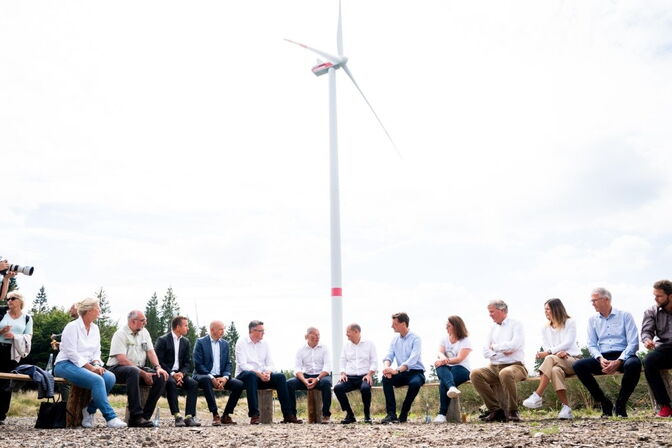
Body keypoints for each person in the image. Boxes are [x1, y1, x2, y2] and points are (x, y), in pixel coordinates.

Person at [53, 298, 126, 428]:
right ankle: (111, 418)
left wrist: (96, 365)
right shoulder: (72, 327)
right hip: (65, 364)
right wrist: (91, 368)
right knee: (97, 380)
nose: (100, 311)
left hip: (87, 365)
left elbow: (96, 351)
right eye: (98, 308)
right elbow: (71, 353)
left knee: (110, 378)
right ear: (89, 310)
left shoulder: (95, 328)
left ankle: (89, 410)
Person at [573, 287, 640, 418]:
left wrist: (619, 360)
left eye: (595, 300)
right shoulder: (592, 320)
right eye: (592, 301)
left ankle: (621, 404)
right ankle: (604, 403)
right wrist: (600, 358)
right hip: (603, 357)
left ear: (606, 300)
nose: (592, 303)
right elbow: (591, 344)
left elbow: (634, 343)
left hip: (624, 355)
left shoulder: (625, 315)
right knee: (578, 366)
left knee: (634, 364)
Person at [106, 310, 168, 427]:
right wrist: (143, 373)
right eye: (143, 320)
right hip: (117, 368)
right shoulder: (120, 334)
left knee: (161, 377)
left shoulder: (144, 332)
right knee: (133, 371)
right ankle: (136, 416)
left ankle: (145, 417)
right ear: (133, 321)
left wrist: (158, 367)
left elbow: (150, 352)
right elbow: (122, 360)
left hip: (138, 369)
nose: (145, 323)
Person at [522, 298, 581, 419]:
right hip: (557, 361)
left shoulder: (570, 322)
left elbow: (568, 342)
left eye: (548, 309)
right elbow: (546, 346)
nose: (546, 312)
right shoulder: (545, 328)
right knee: (554, 370)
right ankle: (566, 408)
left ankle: (538, 395)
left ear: (556, 309)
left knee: (549, 358)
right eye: (545, 309)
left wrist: (551, 352)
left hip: (573, 359)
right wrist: (556, 353)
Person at [470, 299, 527, 423]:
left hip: (515, 366)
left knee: (505, 373)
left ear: (501, 310)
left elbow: (514, 345)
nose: (489, 314)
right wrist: (502, 351)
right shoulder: (492, 328)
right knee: (475, 374)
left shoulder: (516, 324)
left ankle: (513, 411)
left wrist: (495, 347)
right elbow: (485, 351)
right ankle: (495, 410)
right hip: (494, 367)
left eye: (492, 311)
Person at [235, 320, 301, 424]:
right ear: (253, 331)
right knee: (251, 375)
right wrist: (259, 374)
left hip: (262, 376)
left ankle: (288, 415)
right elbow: (243, 365)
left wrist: (268, 373)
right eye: (261, 331)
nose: (263, 333)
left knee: (280, 377)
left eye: (263, 330)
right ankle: (254, 415)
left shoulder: (265, 344)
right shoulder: (241, 342)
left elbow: (271, 363)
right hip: (245, 376)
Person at [193, 320, 244, 426]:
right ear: (212, 330)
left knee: (239, 384)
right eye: (220, 329)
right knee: (206, 380)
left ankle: (226, 415)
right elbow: (198, 364)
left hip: (221, 376)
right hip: (203, 375)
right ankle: (215, 414)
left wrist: (225, 377)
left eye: (223, 329)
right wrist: (212, 378)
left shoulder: (225, 344)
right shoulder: (201, 342)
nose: (223, 331)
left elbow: (228, 363)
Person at [154, 316, 201, 427]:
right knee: (170, 382)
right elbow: (159, 361)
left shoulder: (186, 342)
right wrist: (172, 374)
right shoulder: (163, 340)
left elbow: (187, 362)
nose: (188, 328)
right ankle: (177, 416)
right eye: (186, 325)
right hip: (166, 372)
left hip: (180, 374)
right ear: (178, 327)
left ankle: (189, 417)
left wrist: (181, 374)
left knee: (193, 384)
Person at [381, 312, 425, 423]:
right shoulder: (395, 340)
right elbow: (389, 356)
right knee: (386, 379)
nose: (392, 326)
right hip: (402, 373)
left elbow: (413, 359)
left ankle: (404, 413)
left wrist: (396, 370)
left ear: (403, 324)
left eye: (395, 324)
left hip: (416, 372)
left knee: (415, 384)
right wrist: (387, 369)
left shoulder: (416, 338)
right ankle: (391, 414)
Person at [333, 323, 377, 424]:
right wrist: (343, 373)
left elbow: (374, 362)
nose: (346, 334)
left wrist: (369, 374)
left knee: (365, 389)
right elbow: (342, 361)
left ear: (356, 332)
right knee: (337, 388)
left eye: (348, 332)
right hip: (349, 377)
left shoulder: (369, 344)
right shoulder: (346, 346)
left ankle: (367, 415)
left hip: (364, 376)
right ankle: (350, 415)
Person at [0, 290, 33, 425]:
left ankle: (1, 415)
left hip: (13, 352)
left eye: (12, 298)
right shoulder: (1, 313)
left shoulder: (27, 318)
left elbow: (29, 336)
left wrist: (14, 336)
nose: (9, 301)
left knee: (6, 383)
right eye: (8, 299)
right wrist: (1, 331)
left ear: (20, 301)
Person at [286, 327, 332, 423]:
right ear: (307, 336)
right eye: (314, 335)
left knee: (327, 383)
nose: (317, 337)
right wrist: (304, 381)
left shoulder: (325, 348)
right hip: (305, 377)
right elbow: (297, 369)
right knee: (289, 383)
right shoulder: (300, 350)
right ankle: (292, 415)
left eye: (318, 335)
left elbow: (327, 368)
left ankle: (326, 414)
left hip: (321, 376)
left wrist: (317, 379)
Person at [641, 280, 672, 418]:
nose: (655, 299)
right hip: (664, 349)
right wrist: (647, 340)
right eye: (655, 295)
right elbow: (646, 331)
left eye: (659, 296)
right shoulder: (651, 311)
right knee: (649, 361)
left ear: (670, 296)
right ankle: (665, 405)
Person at [433, 315, 472, 423]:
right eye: (446, 325)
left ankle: (442, 414)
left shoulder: (465, 340)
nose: (446, 328)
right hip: (447, 368)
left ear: (456, 326)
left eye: (448, 326)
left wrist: (445, 361)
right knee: (439, 366)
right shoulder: (444, 339)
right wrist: (443, 358)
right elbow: (440, 352)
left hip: (462, 368)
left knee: (444, 382)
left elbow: (459, 359)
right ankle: (452, 387)